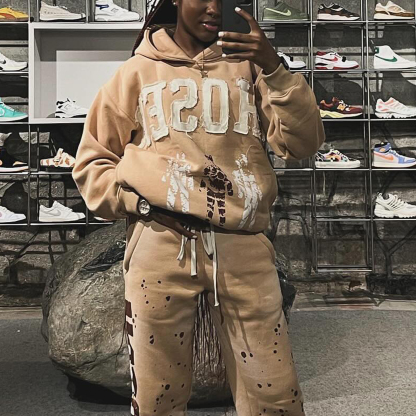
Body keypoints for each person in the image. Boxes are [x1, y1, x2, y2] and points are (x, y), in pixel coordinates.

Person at [72, 0, 325, 415]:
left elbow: (303, 143)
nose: (212, 8)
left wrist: (274, 67)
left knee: (274, 392)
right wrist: (138, 204)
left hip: (242, 243)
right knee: (157, 393)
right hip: (160, 243)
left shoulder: (251, 68)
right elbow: (92, 162)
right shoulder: (136, 72)